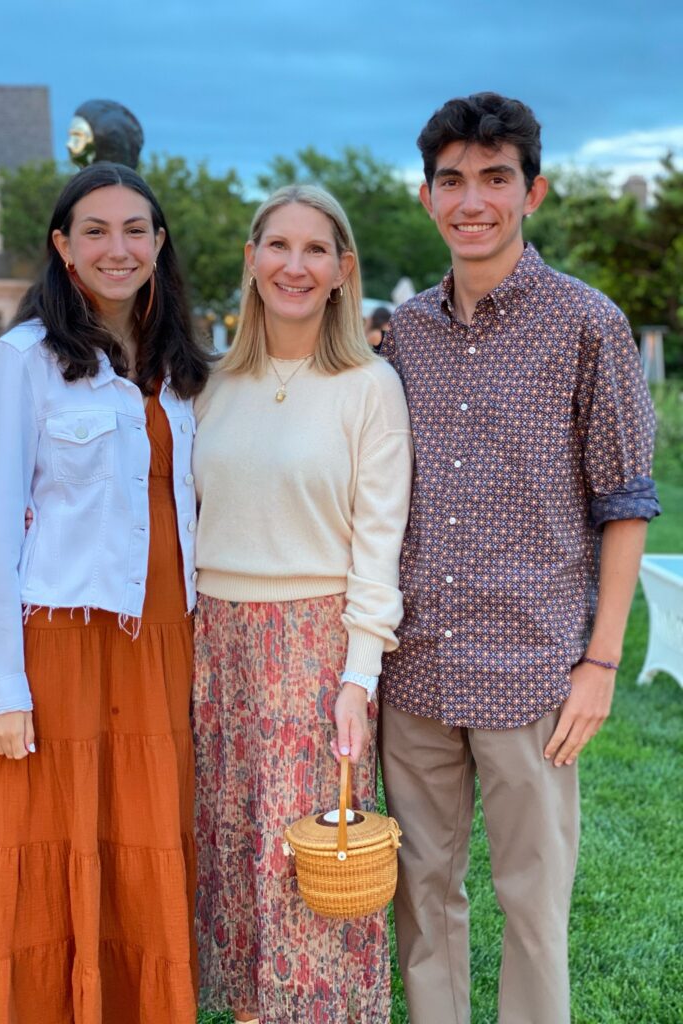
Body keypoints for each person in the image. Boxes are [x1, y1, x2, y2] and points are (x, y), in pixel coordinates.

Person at [378, 92, 661, 1024]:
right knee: (425, 902)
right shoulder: (403, 335)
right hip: (413, 670)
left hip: (533, 674)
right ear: (426, 197)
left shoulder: (590, 326)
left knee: (533, 910)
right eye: (452, 180)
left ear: (532, 192)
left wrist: (601, 662)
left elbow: (625, 504)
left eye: (495, 179)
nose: (473, 200)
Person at [0, 162, 209, 1024]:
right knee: (51, 852)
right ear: (62, 247)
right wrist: (0, 687)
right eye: (94, 230)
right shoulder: (24, 362)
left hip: (166, 643)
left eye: (136, 229)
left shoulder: (183, 367)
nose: (117, 247)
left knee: (146, 853)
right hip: (62, 645)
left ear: (159, 243)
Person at [191, 185, 413, 1024]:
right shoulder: (208, 385)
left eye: (315, 249)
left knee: (310, 868)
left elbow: (377, 542)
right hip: (216, 647)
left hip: (315, 650)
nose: (294, 264)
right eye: (277, 246)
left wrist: (359, 675)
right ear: (250, 262)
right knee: (233, 857)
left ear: (342, 271)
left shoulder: (369, 386)